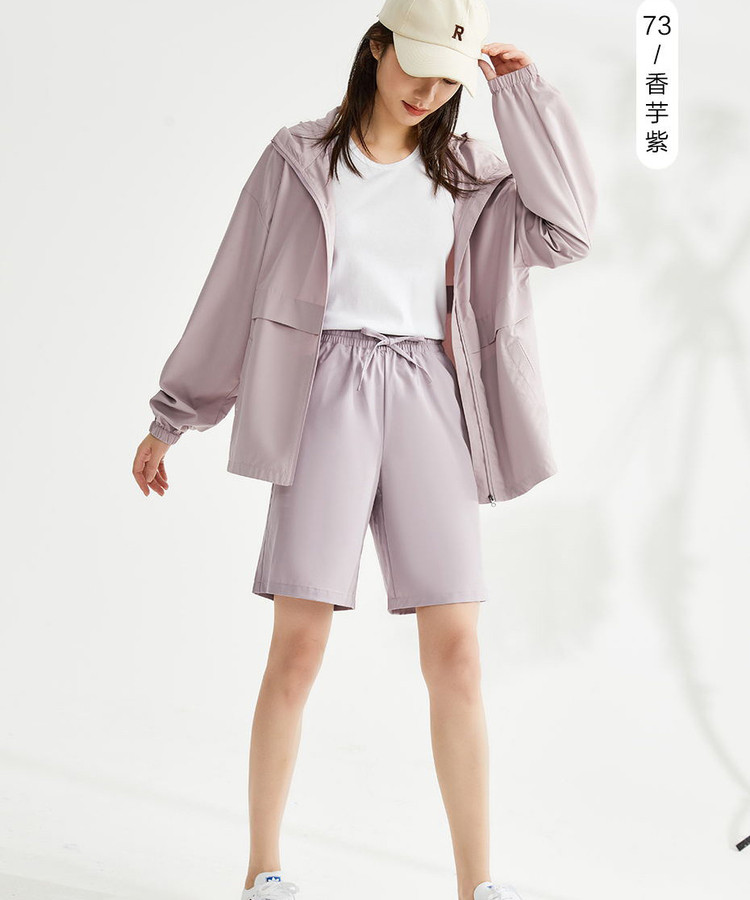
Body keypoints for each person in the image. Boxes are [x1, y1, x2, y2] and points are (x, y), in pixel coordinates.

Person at [132, 1, 597, 898]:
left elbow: (569, 230)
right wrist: (172, 417)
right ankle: (264, 872)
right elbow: (232, 290)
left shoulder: (477, 174)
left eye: (448, 79)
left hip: (433, 397)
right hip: (326, 392)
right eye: (416, 65)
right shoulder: (298, 160)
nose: (428, 91)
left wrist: (522, 96)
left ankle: (478, 886)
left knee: (457, 654)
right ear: (377, 47)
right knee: (298, 647)